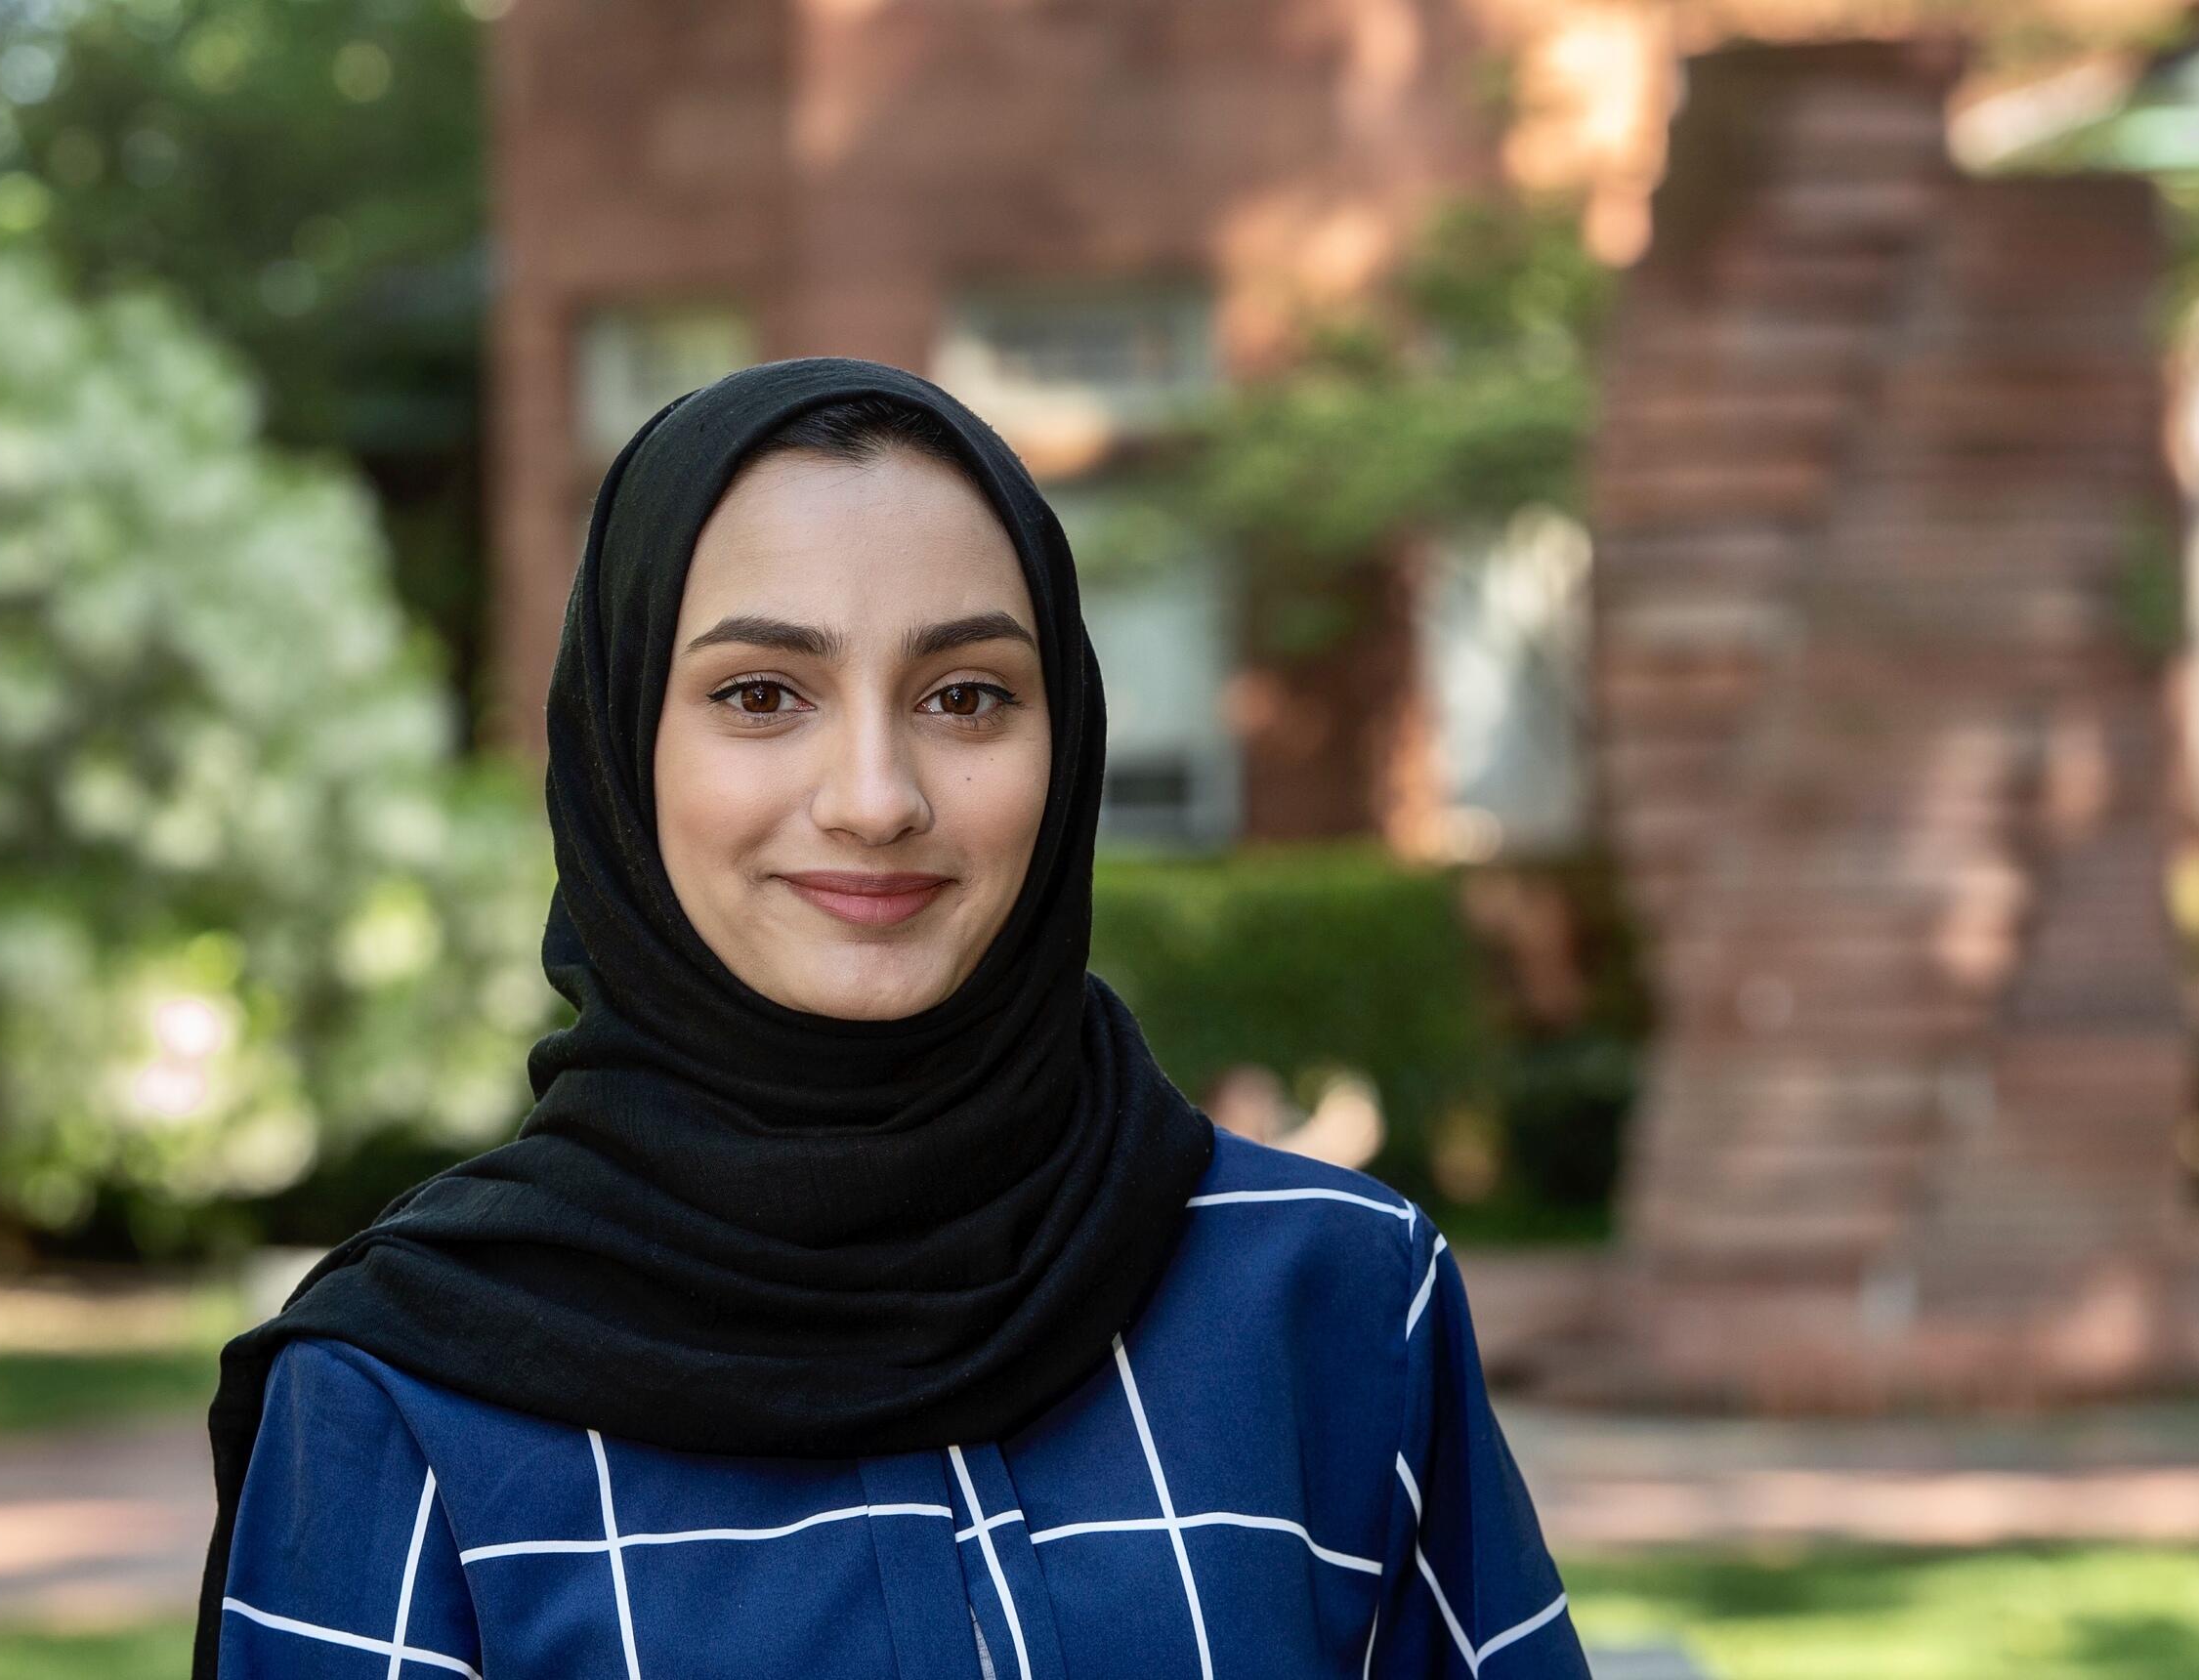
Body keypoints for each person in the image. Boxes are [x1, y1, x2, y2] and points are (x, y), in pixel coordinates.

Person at [191, 357, 1590, 1679]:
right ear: (620, 746)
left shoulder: (1336, 1298)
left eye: (968, 696)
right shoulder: (401, 1400)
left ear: (1070, 740)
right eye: (760, 695)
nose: (876, 796)